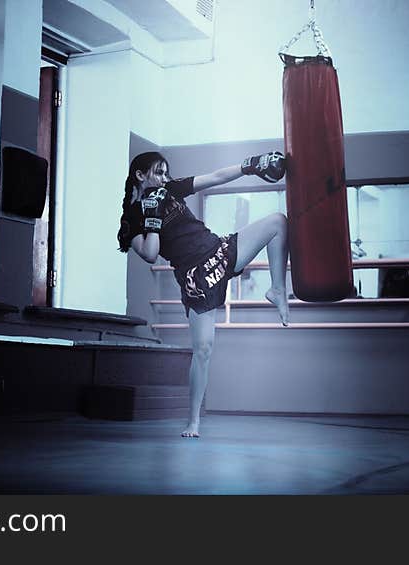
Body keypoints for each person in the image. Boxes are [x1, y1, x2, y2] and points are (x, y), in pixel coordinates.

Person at [117, 151, 290, 438]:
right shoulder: (131, 217)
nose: (164, 178)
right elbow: (149, 254)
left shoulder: (170, 189)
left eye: (165, 173)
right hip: (196, 275)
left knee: (277, 222)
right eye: (159, 173)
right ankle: (193, 421)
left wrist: (249, 166)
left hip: (219, 250)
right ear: (140, 175)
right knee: (204, 350)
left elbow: (214, 178)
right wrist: (153, 217)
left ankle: (277, 289)